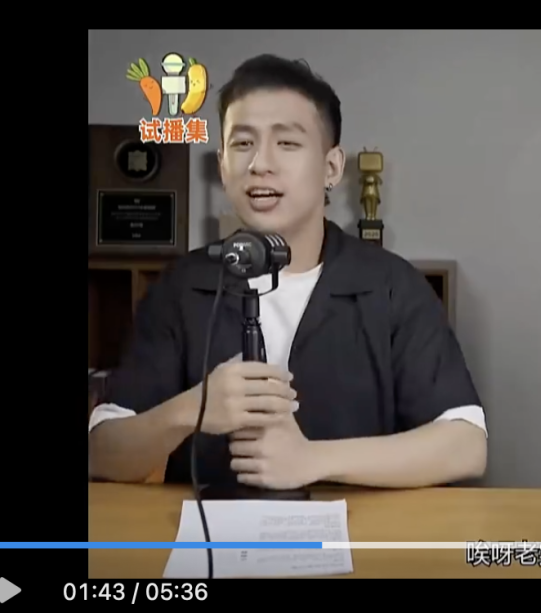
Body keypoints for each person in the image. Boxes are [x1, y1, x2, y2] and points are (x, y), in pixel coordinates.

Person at [89, 55, 487, 490]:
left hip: (358, 528)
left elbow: (466, 445)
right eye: (243, 143)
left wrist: (313, 460)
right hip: (212, 532)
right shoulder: (181, 287)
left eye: (287, 143)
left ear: (331, 167)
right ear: (222, 165)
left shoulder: (393, 286)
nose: (260, 163)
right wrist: (191, 409)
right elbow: (102, 452)